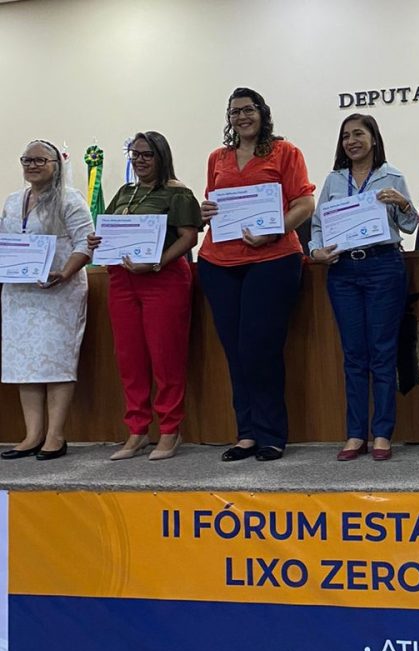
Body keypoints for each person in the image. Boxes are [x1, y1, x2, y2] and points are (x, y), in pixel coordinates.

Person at [198, 87, 316, 462]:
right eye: (235, 112)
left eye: (248, 109)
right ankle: (246, 433)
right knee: (235, 351)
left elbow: (305, 204)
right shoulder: (217, 157)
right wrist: (205, 212)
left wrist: (275, 230)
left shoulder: (285, 152)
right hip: (218, 263)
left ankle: (271, 434)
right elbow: (214, 204)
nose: (242, 117)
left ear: (262, 113)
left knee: (259, 348)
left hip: (273, 260)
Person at [86, 132, 202, 461]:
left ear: (161, 156)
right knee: (130, 359)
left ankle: (170, 430)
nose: (139, 160)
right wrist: (96, 242)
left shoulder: (178, 192)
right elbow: (107, 229)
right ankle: (137, 430)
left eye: (146, 154)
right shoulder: (125, 192)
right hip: (122, 281)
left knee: (166, 358)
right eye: (134, 154)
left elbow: (189, 238)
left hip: (162, 279)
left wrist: (157, 262)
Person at [309, 114, 417, 461]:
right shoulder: (334, 180)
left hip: (383, 266)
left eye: (358, 134)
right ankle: (356, 434)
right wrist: (316, 250)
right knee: (354, 354)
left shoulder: (391, 175)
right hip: (342, 271)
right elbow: (317, 225)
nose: (351, 141)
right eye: (346, 136)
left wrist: (403, 203)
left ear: (373, 139)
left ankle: (382, 433)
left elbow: (410, 225)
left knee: (383, 352)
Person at [0, 140, 93, 461]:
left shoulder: (70, 199)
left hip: (59, 292)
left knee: (55, 361)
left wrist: (65, 273)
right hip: (18, 293)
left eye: (40, 160)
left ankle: (55, 436)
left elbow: (86, 243)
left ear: (57, 164)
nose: (32, 165)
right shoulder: (13, 201)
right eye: (27, 160)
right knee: (24, 363)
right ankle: (32, 435)